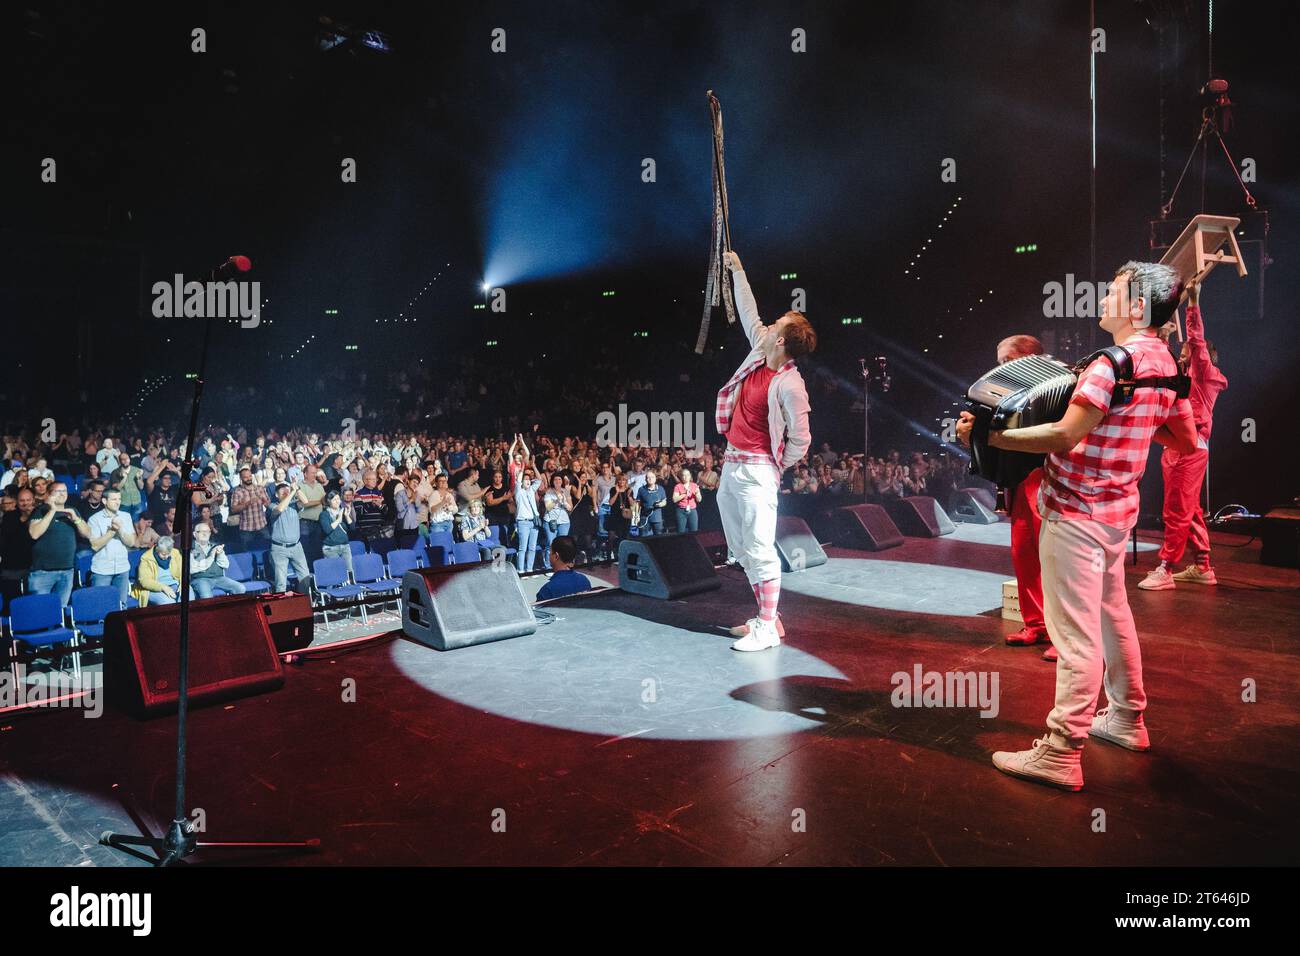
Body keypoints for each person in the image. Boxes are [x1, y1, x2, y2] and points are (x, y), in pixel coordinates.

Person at [962, 261, 1198, 791]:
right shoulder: (1164, 364)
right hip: (1119, 515)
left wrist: (988, 437)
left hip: (1075, 515)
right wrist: (1133, 426)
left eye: (1113, 291)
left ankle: (1062, 752)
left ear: (1136, 306)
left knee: (1075, 638)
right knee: (1114, 617)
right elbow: (1185, 441)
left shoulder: (1110, 364)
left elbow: (1065, 437)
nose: (1103, 297)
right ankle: (1127, 720)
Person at [715, 250, 815, 651]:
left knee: (759, 547)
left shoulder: (791, 385)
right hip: (731, 464)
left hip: (757, 472)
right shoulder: (761, 348)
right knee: (739, 547)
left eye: (778, 323)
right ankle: (769, 619)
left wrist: (776, 465)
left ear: (781, 339)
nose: (769, 323)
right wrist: (738, 269)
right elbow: (747, 310)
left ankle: (766, 625)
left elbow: (802, 439)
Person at [959, 334, 1054, 656]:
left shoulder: (1060, 388)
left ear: (1031, 359)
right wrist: (970, 437)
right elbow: (987, 447)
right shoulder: (997, 398)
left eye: (1007, 361)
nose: (1000, 369)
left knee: (1053, 558)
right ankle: (1037, 624)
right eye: (999, 363)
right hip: (1016, 483)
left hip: (1046, 480)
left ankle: (1063, 633)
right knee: (1024, 553)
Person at [1140, 280, 1229, 590]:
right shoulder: (1187, 377)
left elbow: (1196, 340)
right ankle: (1203, 566)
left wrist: (1192, 303)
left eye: (1184, 353)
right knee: (1188, 510)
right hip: (1178, 449)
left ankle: (1166, 568)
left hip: (1188, 452)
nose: (1180, 357)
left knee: (1176, 511)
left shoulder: (1203, 373)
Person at [27, 481, 92, 606]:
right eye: (58, 491)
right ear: (49, 494)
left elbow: (88, 534)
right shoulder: (40, 511)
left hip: (67, 571)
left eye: (65, 491)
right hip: (42, 573)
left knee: (60, 610)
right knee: (40, 611)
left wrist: (76, 519)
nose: (62, 494)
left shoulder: (72, 510)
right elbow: (34, 534)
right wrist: (52, 510)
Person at [87, 488, 136, 603]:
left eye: (119, 499)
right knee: (101, 605)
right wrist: (112, 531)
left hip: (122, 568)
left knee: (121, 605)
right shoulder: (94, 519)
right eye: (114, 499)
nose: (118, 502)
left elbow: (131, 542)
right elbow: (95, 545)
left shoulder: (126, 516)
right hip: (102, 570)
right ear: (104, 501)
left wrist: (120, 530)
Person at [267, 481, 312, 592]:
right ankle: (282, 608)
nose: (286, 492)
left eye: (287, 490)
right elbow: (280, 509)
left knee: (305, 578)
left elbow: (305, 501)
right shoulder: (272, 506)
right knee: (281, 583)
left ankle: (301, 603)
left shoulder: (294, 505)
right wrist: (291, 493)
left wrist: (297, 489)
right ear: (276, 495)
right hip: (279, 549)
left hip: (296, 547)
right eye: (283, 492)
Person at [190, 520, 247, 598]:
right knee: (207, 596)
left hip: (219, 578)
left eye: (207, 531)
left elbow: (225, 565)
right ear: (194, 534)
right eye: (202, 531)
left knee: (240, 588)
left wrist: (220, 554)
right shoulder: (190, 549)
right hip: (200, 579)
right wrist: (212, 555)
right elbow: (193, 568)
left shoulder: (215, 546)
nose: (205, 534)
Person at [133, 536, 193, 605]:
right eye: (163, 554)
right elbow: (144, 581)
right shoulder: (146, 558)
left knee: (188, 596)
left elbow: (184, 572)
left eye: (168, 553)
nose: (166, 556)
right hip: (154, 589)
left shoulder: (175, 553)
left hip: (175, 585)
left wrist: (183, 584)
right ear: (157, 549)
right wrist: (163, 587)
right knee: (169, 602)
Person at [535, 536, 592, 601]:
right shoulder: (584, 581)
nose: (549, 555)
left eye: (550, 553)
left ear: (556, 556)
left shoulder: (547, 591)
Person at [229, 465, 271, 553]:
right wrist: (247, 503)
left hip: (262, 525)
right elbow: (233, 509)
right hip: (246, 528)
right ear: (241, 478)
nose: (248, 478)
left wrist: (263, 500)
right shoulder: (237, 491)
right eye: (245, 477)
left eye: (249, 476)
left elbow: (268, 505)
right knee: (245, 552)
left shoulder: (260, 488)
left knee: (268, 549)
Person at [539, 474, 573, 569]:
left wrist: (564, 502)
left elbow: (570, 507)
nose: (558, 481)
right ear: (552, 481)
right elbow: (548, 507)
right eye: (555, 479)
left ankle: (562, 565)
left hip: (564, 521)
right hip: (551, 521)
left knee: (563, 545)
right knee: (551, 544)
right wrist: (557, 499)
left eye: (559, 479)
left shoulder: (565, 491)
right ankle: (548, 566)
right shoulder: (548, 492)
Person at [320, 490, 356, 574]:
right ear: (329, 501)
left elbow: (353, 529)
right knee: (336, 573)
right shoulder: (324, 514)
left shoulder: (343, 512)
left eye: (338, 499)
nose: (337, 501)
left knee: (350, 571)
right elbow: (327, 530)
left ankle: (350, 586)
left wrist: (347, 516)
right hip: (331, 548)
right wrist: (338, 520)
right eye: (334, 499)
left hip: (345, 547)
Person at [634, 467, 667, 536]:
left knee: (659, 538)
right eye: (648, 477)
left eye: (652, 477)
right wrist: (636, 516)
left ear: (655, 478)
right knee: (643, 538)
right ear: (645, 479)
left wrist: (659, 504)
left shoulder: (660, 489)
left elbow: (664, 502)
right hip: (644, 518)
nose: (650, 479)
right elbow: (638, 504)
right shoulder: (641, 489)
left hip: (657, 518)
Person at [671, 467, 702, 533]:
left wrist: (697, 493)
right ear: (681, 477)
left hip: (692, 511)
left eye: (687, 475)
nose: (686, 477)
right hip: (681, 511)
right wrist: (684, 494)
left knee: (694, 532)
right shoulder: (678, 486)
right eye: (684, 475)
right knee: (680, 532)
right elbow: (674, 499)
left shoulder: (694, 485)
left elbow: (699, 500)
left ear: (690, 476)